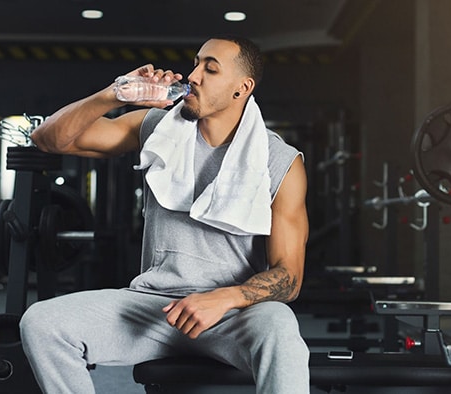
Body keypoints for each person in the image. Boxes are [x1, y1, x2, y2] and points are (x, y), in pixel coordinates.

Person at [20, 35, 310, 394]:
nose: (194, 76)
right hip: (152, 309)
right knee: (41, 322)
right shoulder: (158, 127)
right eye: (196, 63)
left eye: (211, 69)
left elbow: (289, 277)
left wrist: (223, 298)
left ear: (242, 88)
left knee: (279, 324)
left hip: (232, 316)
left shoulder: (280, 161)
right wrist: (116, 93)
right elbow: (48, 139)